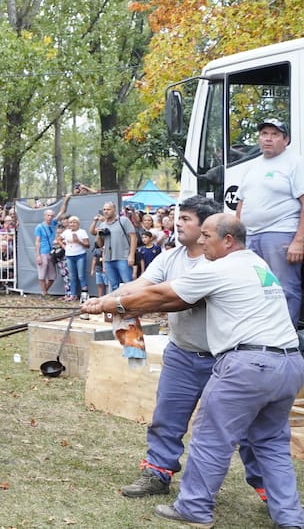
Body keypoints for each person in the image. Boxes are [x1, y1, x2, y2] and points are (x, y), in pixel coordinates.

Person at [81, 215, 304, 528]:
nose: (201, 241)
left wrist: (110, 304)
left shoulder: (220, 268)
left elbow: (163, 296)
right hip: (289, 363)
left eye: (207, 235)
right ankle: (292, 519)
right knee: (271, 444)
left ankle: (195, 507)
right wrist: (121, 305)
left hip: (247, 365)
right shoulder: (257, 263)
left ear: (228, 240)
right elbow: (170, 299)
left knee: (211, 438)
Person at [99, 196, 268, 503]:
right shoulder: (170, 257)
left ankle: (267, 487)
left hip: (224, 359)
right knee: (167, 416)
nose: (178, 223)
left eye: (187, 219)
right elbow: (143, 285)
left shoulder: (219, 261)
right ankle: (157, 473)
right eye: (178, 218)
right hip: (181, 353)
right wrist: (103, 301)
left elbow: (175, 299)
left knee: (245, 428)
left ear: (207, 227)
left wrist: (116, 303)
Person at [235, 117, 304, 327]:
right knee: (253, 287)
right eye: (264, 134)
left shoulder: (295, 163)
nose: (268, 139)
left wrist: (299, 241)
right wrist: (236, 239)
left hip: (280, 234)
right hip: (250, 237)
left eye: (275, 135)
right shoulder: (252, 165)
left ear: (286, 140)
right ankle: (259, 335)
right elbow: (241, 204)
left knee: (284, 290)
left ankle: (285, 341)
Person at [90, 201, 137, 290]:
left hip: (123, 257)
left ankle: (131, 303)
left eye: (108, 209)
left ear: (114, 210)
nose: (106, 211)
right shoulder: (103, 225)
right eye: (104, 209)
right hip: (108, 259)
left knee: (128, 283)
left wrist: (131, 255)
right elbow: (100, 245)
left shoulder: (123, 220)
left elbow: (133, 237)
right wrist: (98, 235)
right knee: (113, 285)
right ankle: (116, 303)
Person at [61, 215, 90, 299]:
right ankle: (73, 295)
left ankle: (84, 295)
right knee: (72, 276)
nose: (72, 224)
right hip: (69, 256)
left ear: (78, 224)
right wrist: (64, 246)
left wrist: (78, 241)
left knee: (81, 276)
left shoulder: (82, 232)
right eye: (70, 222)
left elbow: (87, 245)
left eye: (74, 222)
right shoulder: (66, 232)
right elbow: (58, 239)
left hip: (80, 255)